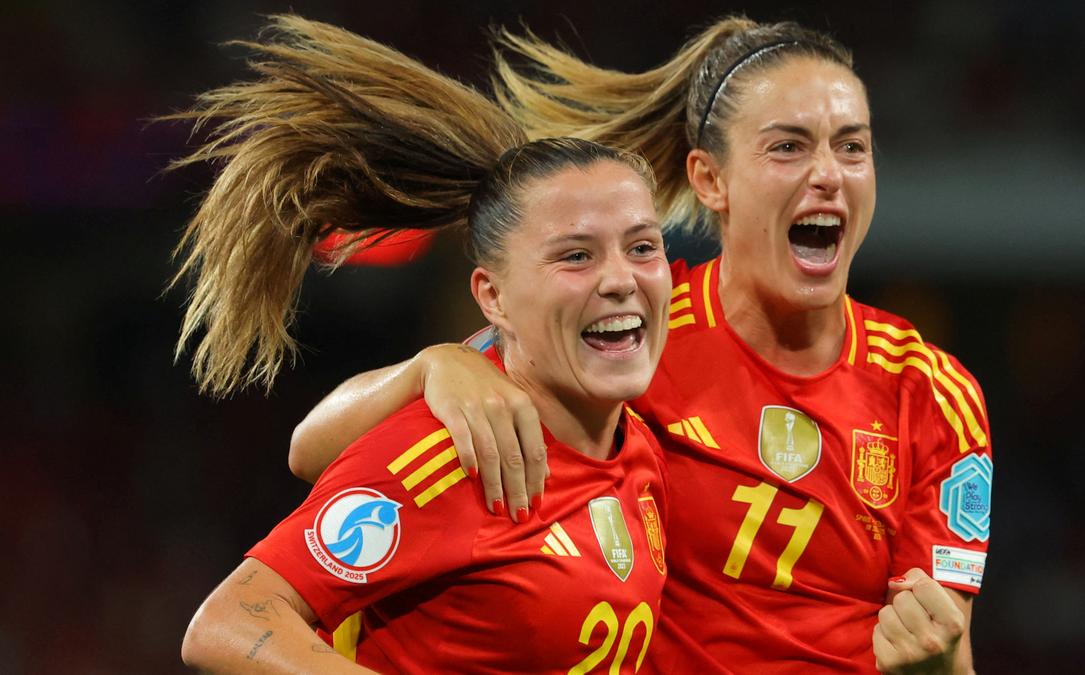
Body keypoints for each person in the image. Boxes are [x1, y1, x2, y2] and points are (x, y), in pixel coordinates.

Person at [289, 16, 992, 674]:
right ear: (710, 179)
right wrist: (431, 367)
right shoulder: (631, 332)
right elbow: (312, 451)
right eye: (788, 146)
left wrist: (936, 667)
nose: (829, 173)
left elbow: (944, 648)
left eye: (852, 146)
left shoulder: (933, 394)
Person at [169, 16, 672, 673]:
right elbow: (230, 621)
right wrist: (424, 368)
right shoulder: (454, 456)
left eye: (643, 247)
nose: (621, 279)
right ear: (493, 296)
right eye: (576, 255)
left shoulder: (638, 448)